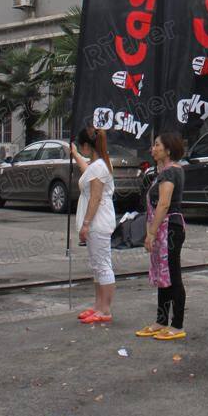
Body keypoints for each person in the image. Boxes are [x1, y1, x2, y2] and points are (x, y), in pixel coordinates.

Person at [136, 133, 187, 341]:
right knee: (162, 275)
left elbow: (164, 204)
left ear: (168, 150)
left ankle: (177, 324)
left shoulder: (170, 173)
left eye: (157, 145)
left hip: (170, 229)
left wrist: (151, 232)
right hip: (164, 228)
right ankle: (161, 320)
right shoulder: (163, 172)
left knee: (173, 275)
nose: (153, 148)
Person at [71, 127, 116, 324]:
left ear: (87, 146)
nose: (82, 151)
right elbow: (86, 171)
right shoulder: (98, 164)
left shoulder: (99, 167)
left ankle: (105, 309)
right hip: (98, 223)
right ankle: (99, 306)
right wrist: (74, 154)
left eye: (82, 148)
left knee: (103, 266)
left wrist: (86, 224)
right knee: (97, 266)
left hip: (98, 222)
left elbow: (95, 197)